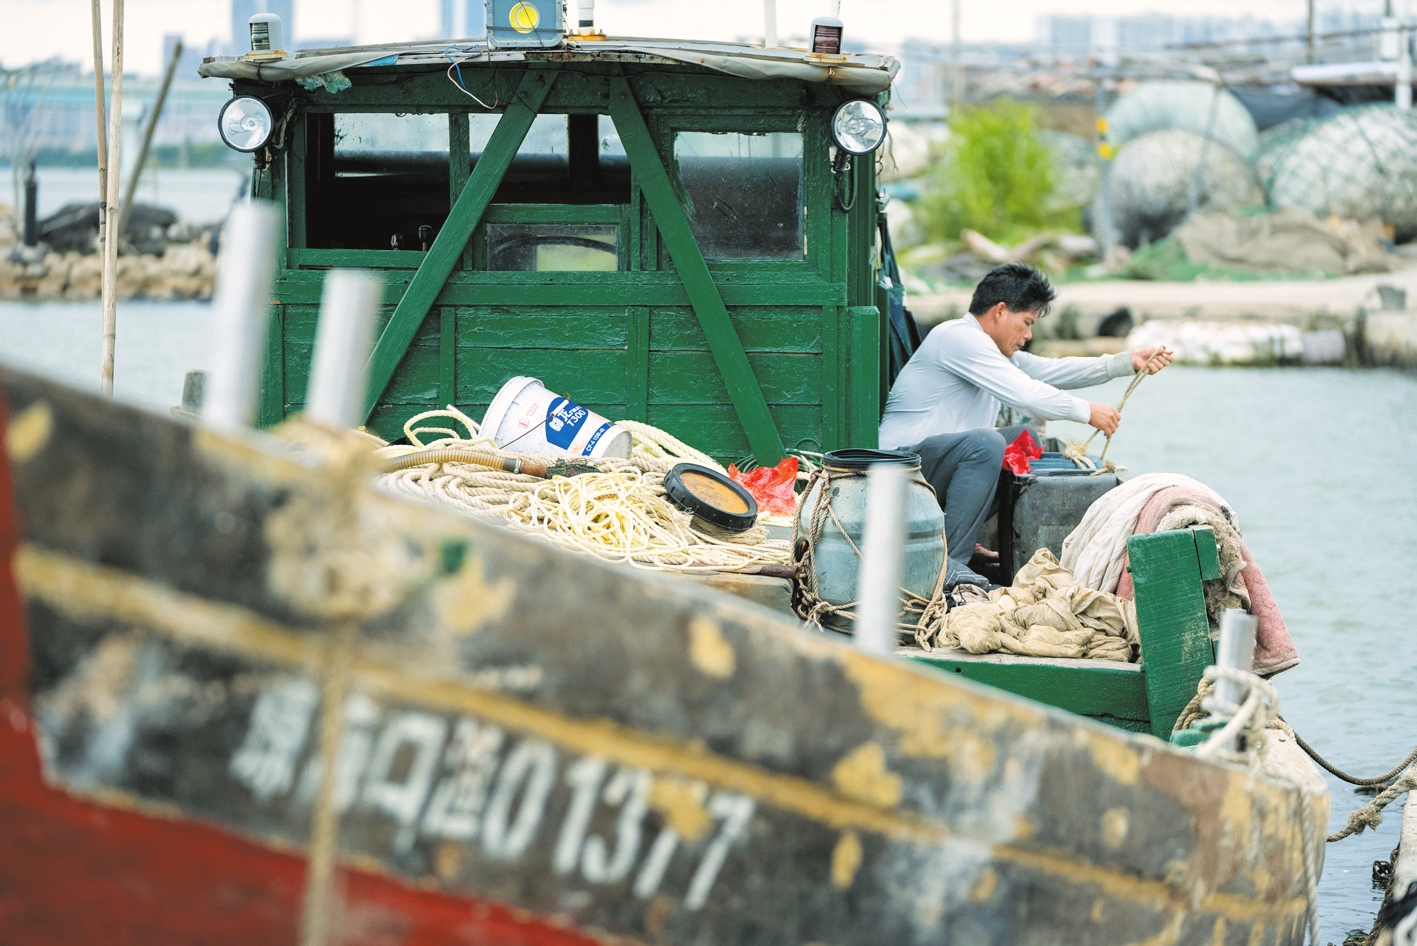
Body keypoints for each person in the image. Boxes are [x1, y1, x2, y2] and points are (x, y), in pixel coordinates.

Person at [878, 263, 1172, 585]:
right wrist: (1087, 411)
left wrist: (1124, 362)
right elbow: (1026, 396)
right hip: (900, 469)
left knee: (1023, 437)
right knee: (988, 444)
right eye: (1027, 322)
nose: (1029, 335)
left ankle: (977, 545)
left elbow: (1055, 371)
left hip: (932, 469)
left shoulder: (994, 351)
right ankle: (948, 569)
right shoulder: (958, 338)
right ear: (1001, 311)